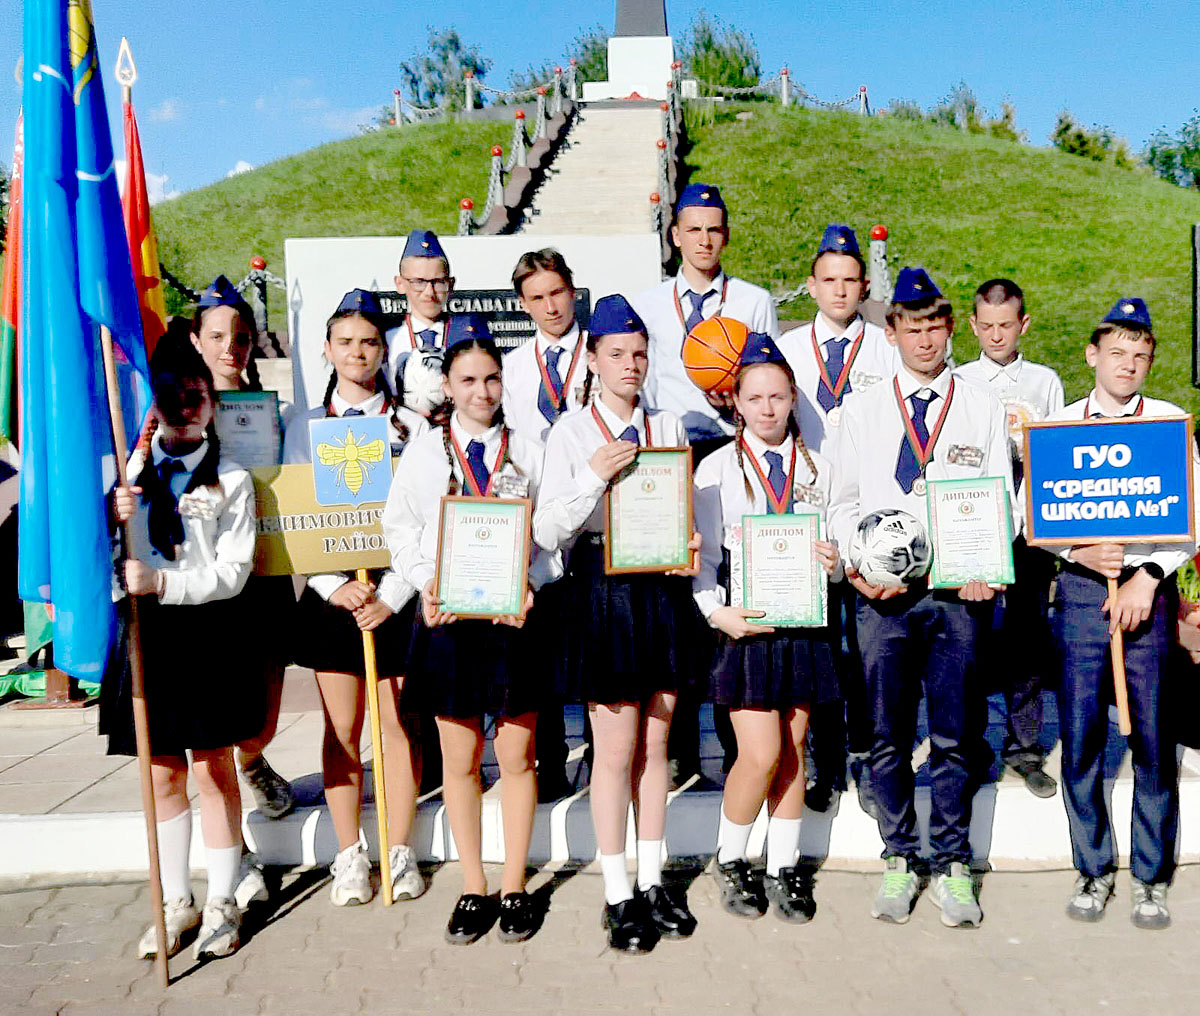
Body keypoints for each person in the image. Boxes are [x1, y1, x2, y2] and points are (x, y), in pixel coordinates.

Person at [827, 267, 1016, 929]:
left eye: (937, 325)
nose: (927, 338)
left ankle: (954, 861)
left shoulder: (981, 407)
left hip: (956, 597)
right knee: (886, 735)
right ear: (892, 331)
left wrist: (985, 563)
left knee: (957, 734)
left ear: (949, 327)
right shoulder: (863, 408)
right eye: (913, 326)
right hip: (884, 600)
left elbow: (1007, 507)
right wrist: (858, 565)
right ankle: (900, 857)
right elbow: (841, 505)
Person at [534, 295, 703, 953]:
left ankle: (655, 879)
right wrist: (590, 477)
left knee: (658, 745)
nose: (630, 365)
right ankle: (616, 892)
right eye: (616, 354)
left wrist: (687, 542)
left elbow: (680, 509)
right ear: (593, 359)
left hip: (659, 592)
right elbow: (550, 528)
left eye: (639, 353)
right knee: (614, 750)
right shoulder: (572, 433)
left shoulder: (669, 427)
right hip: (605, 592)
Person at [383, 316, 554, 945]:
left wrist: (531, 581)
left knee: (517, 755)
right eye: (468, 380)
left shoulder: (530, 449)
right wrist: (429, 580)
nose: (482, 392)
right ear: (448, 386)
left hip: (512, 623)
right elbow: (398, 529)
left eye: (491, 378)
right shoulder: (425, 453)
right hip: (450, 622)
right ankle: (473, 887)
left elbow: (552, 538)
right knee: (460, 760)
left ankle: (513, 886)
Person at [100, 339, 262, 960]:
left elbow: (233, 571)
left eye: (196, 396)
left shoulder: (233, 482)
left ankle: (223, 899)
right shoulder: (128, 479)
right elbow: (103, 563)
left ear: (213, 404)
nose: (184, 406)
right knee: (162, 774)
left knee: (211, 770)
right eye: (170, 396)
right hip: (149, 637)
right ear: (153, 405)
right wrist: (114, 523)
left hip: (207, 635)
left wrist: (163, 582)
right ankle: (177, 901)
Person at [1046, 298, 1195, 929]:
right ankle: (1093, 867)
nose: (1129, 365)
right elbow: (1036, 519)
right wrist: (1079, 546)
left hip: (1148, 597)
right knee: (1081, 736)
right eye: (1117, 353)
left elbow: (1193, 521)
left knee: (1154, 738)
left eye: (1141, 355)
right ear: (1092, 355)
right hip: (1081, 593)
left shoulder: (1168, 423)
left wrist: (1147, 574)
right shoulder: (1058, 425)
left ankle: (1151, 877)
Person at [282, 289, 428, 908]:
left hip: (393, 595)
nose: (358, 353)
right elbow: (290, 514)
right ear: (327, 348)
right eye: (345, 342)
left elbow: (423, 519)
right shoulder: (303, 427)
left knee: (397, 726)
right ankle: (349, 854)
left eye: (369, 341)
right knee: (342, 729)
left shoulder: (413, 426)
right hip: (332, 591)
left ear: (383, 347)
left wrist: (391, 595)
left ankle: (399, 849)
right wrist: (333, 587)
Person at [693, 333, 842, 923]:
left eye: (778, 396)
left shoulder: (819, 469)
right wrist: (715, 611)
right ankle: (731, 858)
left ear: (792, 398)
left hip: (804, 627)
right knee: (758, 753)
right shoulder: (716, 470)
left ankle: (784, 867)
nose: (768, 408)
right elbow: (701, 562)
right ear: (736, 401)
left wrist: (834, 563)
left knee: (793, 750)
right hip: (747, 628)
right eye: (755, 397)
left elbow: (838, 545)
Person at [635, 183, 776, 781]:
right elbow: (640, 385)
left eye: (715, 229)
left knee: (731, 585)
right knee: (678, 598)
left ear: (727, 233)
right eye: (693, 229)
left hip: (732, 446)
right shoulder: (646, 301)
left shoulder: (752, 299)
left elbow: (763, 369)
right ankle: (681, 747)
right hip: (672, 456)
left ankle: (734, 741)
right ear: (675, 235)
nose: (704, 239)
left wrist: (735, 397)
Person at [778, 224, 898, 814]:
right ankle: (823, 758)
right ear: (811, 285)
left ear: (865, 283)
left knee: (867, 647)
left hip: (867, 511)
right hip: (804, 508)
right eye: (829, 280)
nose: (841, 291)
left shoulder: (884, 346)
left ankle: (870, 759)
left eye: (851, 281)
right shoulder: (790, 349)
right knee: (822, 646)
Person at [188, 276, 296, 910]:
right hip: (209, 589)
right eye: (219, 335)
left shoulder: (266, 408)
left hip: (267, 573)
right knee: (215, 721)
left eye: (241, 336)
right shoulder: (174, 409)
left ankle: (253, 760)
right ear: (198, 340)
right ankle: (239, 852)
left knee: (265, 709)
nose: (231, 346)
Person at [954, 279, 1065, 798]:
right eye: (987, 326)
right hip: (974, 527)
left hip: (1029, 530)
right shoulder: (958, 380)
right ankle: (970, 743)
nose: (997, 335)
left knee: (1026, 638)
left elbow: (1056, 451)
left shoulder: (1044, 383)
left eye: (1007, 325)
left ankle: (1024, 746)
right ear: (973, 326)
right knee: (970, 638)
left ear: (1023, 324)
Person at [503, 248, 590, 801]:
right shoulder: (512, 367)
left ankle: (617, 756)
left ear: (573, 291)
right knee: (545, 649)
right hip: (543, 526)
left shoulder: (601, 354)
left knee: (604, 646)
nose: (550, 306)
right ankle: (553, 759)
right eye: (537, 298)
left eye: (557, 293)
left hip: (601, 516)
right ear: (523, 303)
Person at [384, 228, 456, 415]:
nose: (429, 292)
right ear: (400, 284)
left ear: (451, 284)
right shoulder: (389, 341)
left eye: (438, 282)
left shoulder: (464, 336)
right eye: (418, 282)